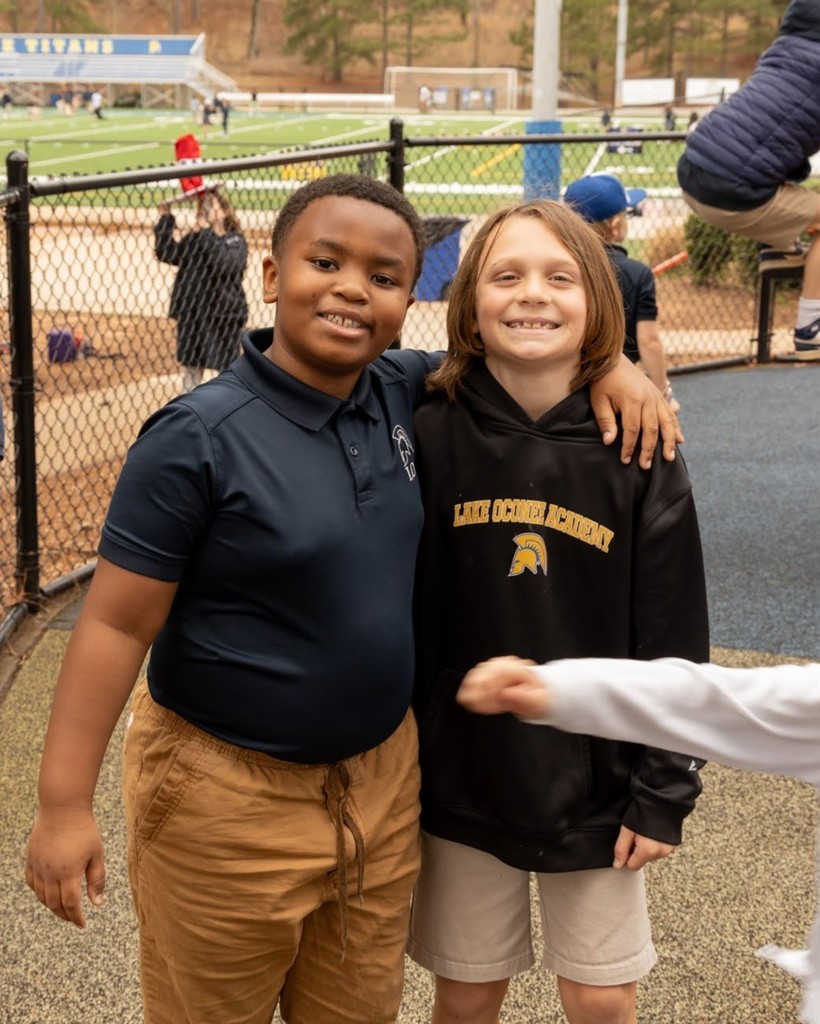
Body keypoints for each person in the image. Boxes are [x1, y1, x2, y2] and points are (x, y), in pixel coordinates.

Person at [23, 174, 676, 1024]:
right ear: (269, 274)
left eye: (382, 276)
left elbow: (522, 349)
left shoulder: (404, 393)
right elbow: (113, 623)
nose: (349, 288)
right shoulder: (198, 439)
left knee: (358, 1011)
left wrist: (615, 366)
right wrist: (63, 805)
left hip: (381, 788)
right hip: (228, 794)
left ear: (410, 300)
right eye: (323, 261)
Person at [407, 198, 709, 1024]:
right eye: (506, 275)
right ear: (470, 300)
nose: (531, 294)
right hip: (463, 775)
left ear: (598, 303)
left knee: (602, 997)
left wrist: (663, 789)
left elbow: (676, 630)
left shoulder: (641, 446)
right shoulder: (426, 426)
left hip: (600, 783)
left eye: (559, 277)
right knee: (466, 995)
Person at [457, 655, 820, 1024]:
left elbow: (713, 701)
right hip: (491, 773)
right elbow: (720, 701)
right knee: (467, 987)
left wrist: (666, 792)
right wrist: (558, 689)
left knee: (602, 996)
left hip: (593, 798)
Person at [676, 0, 820, 357]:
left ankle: (779, 251)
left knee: (797, 197)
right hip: (732, 190)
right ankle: (810, 327)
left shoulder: (780, 51)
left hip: (693, 170)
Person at [565, 173, 680, 412]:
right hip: (619, 385)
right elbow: (648, 341)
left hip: (564, 382)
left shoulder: (557, 266)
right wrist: (663, 394)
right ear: (615, 226)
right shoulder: (637, 273)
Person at [154, 188, 249, 393]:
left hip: (222, 316)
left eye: (209, 205)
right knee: (191, 371)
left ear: (224, 212)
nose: (204, 209)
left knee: (227, 371)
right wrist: (165, 219)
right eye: (201, 206)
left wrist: (204, 231)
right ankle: (188, 411)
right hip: (194, 315)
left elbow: (223, 264)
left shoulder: (235, 240)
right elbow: (167, 252)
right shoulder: (197, 239)